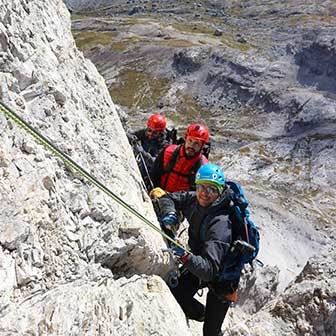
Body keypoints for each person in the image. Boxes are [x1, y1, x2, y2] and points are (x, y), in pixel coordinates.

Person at [156, 163, 243, 336]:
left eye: (211, 189)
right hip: (200, 259)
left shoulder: (220, 223)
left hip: (222, 279)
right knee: (176, 293)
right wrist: (170, 215)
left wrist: (185, 257)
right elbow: (168, 198)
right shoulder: (194, 200)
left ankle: (210, 323)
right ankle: (201, 313)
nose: (204, 193)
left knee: (210, 332)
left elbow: (209, 271)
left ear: (219, 193)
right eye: (201, 186)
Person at [150, 123, 209, 193]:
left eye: (196, 143)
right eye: (190, 140)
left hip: (183, 201)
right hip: (160, 193)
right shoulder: (168, 152)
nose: (191, 145)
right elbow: (154, 174)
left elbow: (199, 194)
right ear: (185, 139)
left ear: (202, 146)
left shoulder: (203, 167)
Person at [127, 113, 174, 191]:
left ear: (161, 132)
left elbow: (155, 162)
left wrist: (142, 152)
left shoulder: (165, 144)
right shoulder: (145, 132)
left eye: (155, 133)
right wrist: (133, 138)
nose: (150, 134)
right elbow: (130, 135)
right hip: (143, 165)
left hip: (155, 174)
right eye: (149, 130)